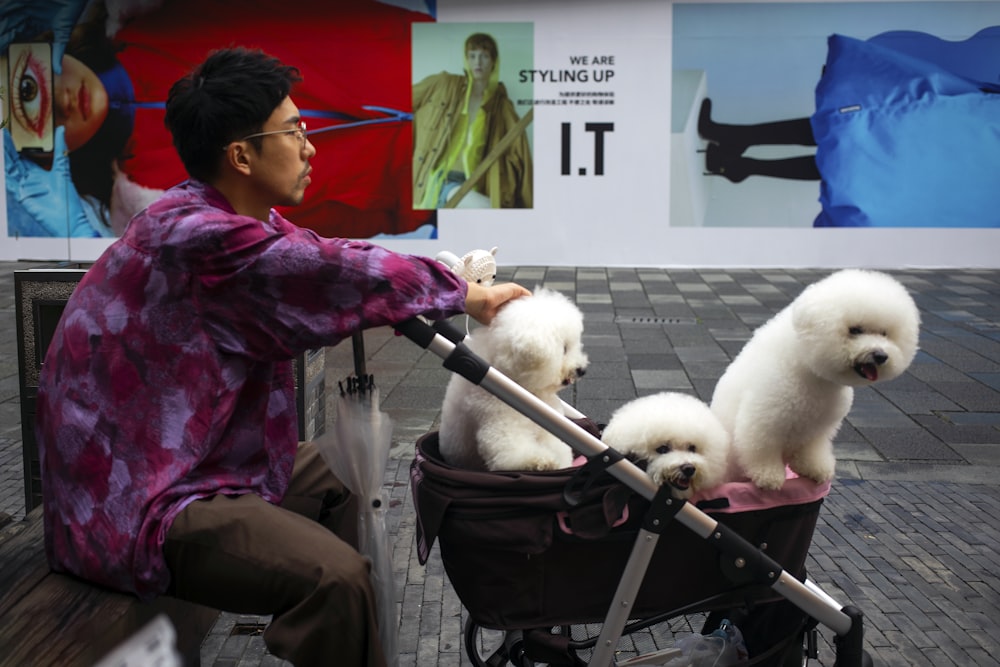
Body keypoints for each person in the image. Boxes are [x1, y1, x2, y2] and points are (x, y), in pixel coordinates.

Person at [34, 46, 530, 667]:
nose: (310, 146)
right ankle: (342, 624)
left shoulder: (218, 216)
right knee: (336, 578)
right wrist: (464, 294)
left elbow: (324, 254)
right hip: (137, 498)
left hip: (194, 454)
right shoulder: (202, 238)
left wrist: (441, 283)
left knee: (344, 484)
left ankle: (351, 645)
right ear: (241, 155)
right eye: (294, 130)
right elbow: (323, 270)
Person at [412, 32, 533, 209]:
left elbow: (521, 154)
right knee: (486, 209)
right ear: (466, 59)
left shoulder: (500, 106)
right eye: (472, 56)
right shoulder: (444, 84)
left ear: (493, 62)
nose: (478, 62)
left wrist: (528, 207)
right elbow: (396, 102)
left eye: (484, 56)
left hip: (475, 185)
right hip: (439, 181)